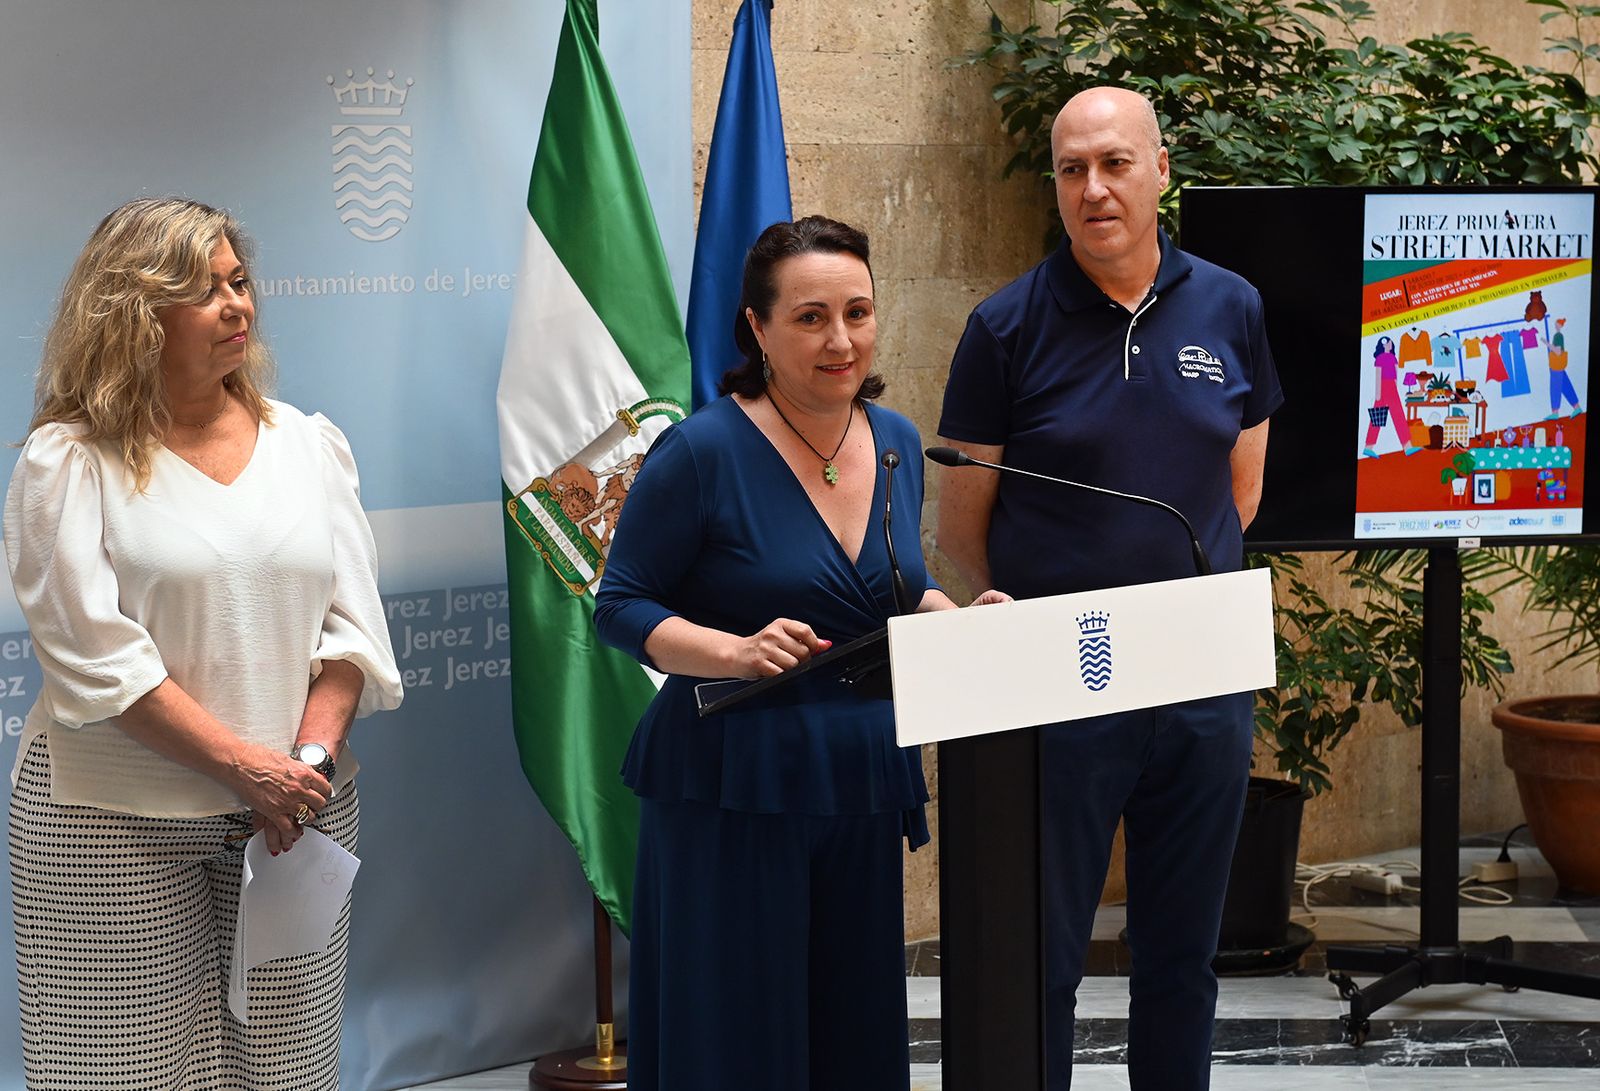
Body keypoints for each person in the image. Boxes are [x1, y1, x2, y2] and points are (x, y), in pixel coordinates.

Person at [594, 215, 1007, 1091]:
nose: (841, 340)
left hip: (860, 775)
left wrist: (958, 618)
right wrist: (733, 650)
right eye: (811, 317)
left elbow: (899, 586)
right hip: (732, 777)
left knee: (850, 1030)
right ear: (757, 326)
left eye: (857, 312)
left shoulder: (897, 442)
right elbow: (620, 606)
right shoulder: (701, 451)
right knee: (739, 1034)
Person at [4, 197, 403, 1090]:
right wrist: (245, 768)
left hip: (293, 821)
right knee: (123, 1074)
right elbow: (97, 659)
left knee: (289, 1070)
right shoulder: (68, 461)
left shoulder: (307, 444)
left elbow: (351, 632)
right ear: (134, 311)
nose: (237, 305)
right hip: (111, 824)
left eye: (240, 281)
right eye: (203, 289)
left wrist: (304, 768)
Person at [935, 87, 1283, 1090]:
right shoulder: (1004, 327)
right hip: (1061, 687)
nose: (1094, 188)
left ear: (1160, 169)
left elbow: (1240, 491)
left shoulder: (1232, 306)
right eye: (1072, 169)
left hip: (1199, 681)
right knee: (1041, 955)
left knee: (1183, 954)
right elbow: (962, 524)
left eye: (1115, 163)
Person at [1364, 334, 1420, 457]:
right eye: (1387, 342)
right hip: (1383, 386)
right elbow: (1378, 376)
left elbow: (1396, 376)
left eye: (1390, 342)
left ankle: (1407, 446)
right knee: (1378, 416)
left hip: (1392, 388)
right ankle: (1368, 446)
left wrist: (1395, 388)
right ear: (1383, 344)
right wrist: (1377, 393)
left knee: (1398, 415)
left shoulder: (1393, 358)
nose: (1389, 343)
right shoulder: (1379, 358)